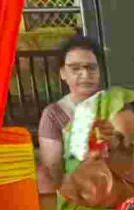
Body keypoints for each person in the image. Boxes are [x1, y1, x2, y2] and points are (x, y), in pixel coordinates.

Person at [37, 35, 103, 198]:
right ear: (63, 73)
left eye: (91, 67)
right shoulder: (53, 114)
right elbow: (54, 171)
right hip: (76, 195)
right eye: (75, 68)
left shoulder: (117, 105)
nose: (85, 74)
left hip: (118, 190)